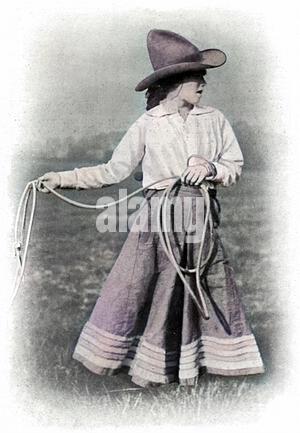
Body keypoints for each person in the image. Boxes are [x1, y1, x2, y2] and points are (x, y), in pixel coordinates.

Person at [37, 29, 264, 387]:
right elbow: (113, 171)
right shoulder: (148, 124)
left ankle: (201, 367)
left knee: (206, 286)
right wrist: (61, 178)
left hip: (201, 220)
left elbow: (233, 166)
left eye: (202, 76)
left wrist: (210, 168)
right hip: (157, 221)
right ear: (175, 82)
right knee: (142, 288)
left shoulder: (215, 119)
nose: (203, 82)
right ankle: (149, 368)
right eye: (195, 76)